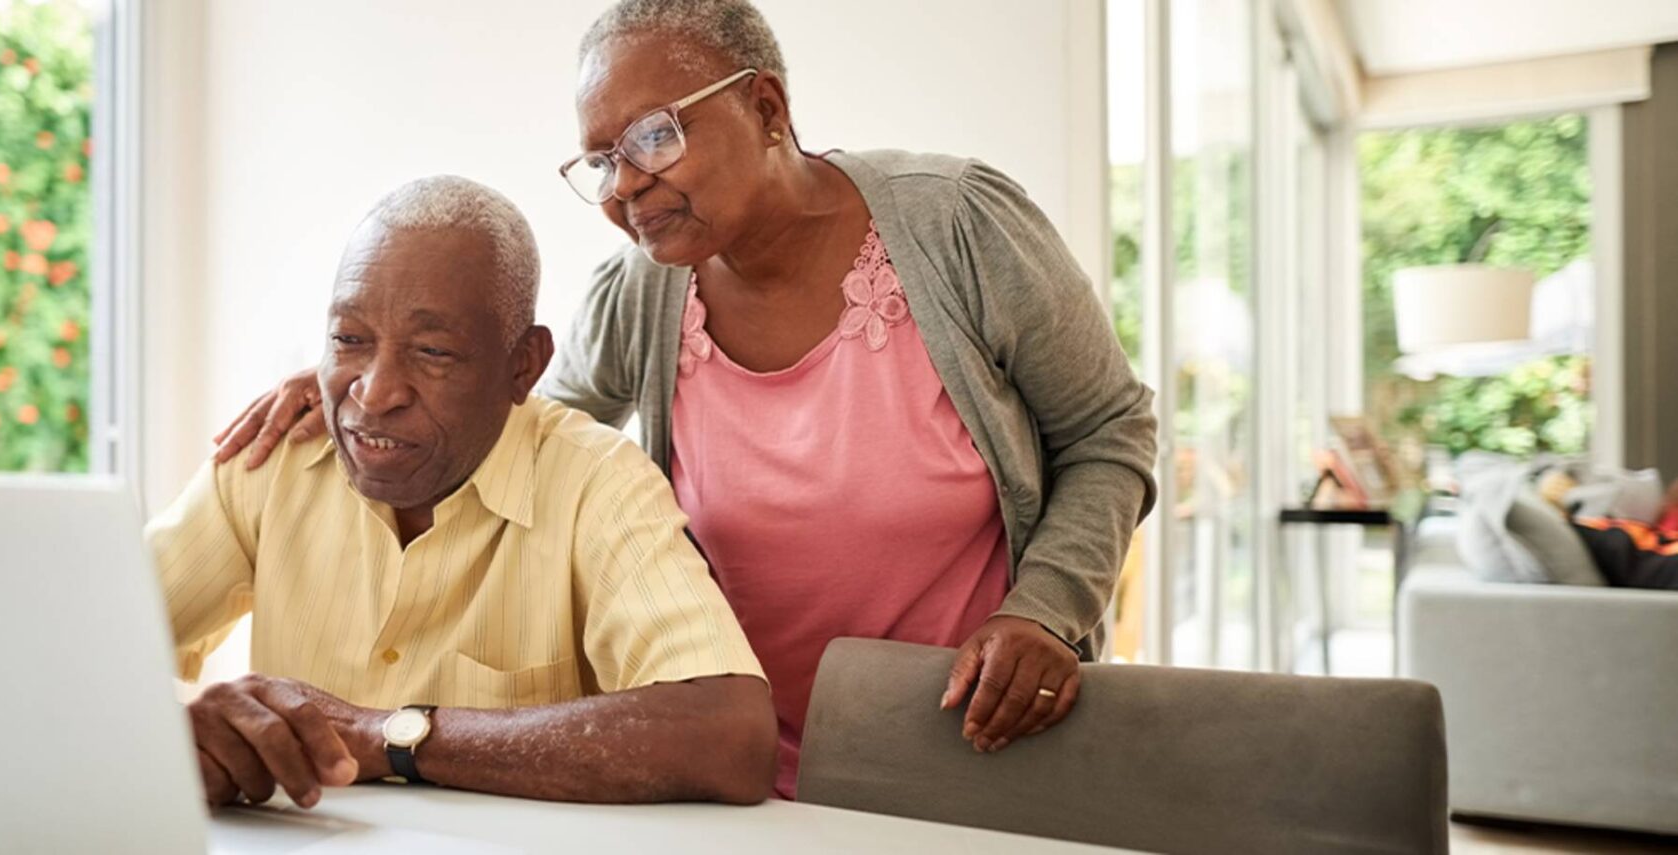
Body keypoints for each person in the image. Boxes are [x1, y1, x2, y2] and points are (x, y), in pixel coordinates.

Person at [212, 0, 1157, 798]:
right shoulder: (644, 293)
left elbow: (1111, 431)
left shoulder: (957, 226)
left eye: (654, 137)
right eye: (599, 161)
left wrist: (1043, 610)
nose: (624, 187)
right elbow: (519, 429)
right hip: (727, 763)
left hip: (972, 741)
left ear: (767, 107)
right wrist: (368, 375)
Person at [147, 176, 775, 809]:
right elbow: (73, 654)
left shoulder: (596, 483)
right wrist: (191, 726)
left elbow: (730, 736)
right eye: (348, 340)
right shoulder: (272, 459)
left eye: (432, 351)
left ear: (523, 364)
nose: (374, 391)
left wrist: (386, 736)